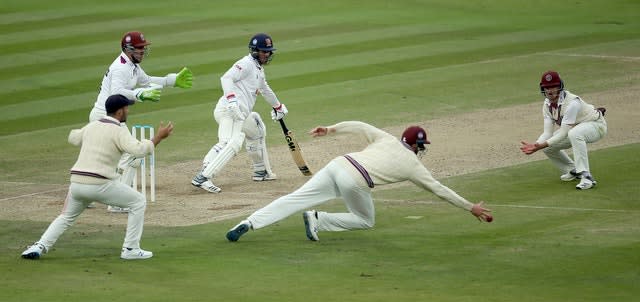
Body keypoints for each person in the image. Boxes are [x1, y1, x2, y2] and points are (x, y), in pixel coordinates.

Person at [226, 121, 492, 242]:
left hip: (338, 164)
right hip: (355, 179)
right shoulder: (413, 165)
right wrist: (471, 207)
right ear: (416, 145)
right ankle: (318, 219)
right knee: (366, 220)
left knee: (292, 199)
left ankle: (248, 222)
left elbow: (360, 125)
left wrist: (329, 130)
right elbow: (439, 190)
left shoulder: (387, 138)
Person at [21, 94, 174, 260]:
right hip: (100, 184)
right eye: (126, 108)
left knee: (66, 217)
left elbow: (73, 137)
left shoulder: (92, 125)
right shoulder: (119, 131)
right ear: (120, 111)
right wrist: (158, 137)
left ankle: (39, 246)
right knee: (138, 202)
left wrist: (90, 135)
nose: (128, 111)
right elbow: (138, 150)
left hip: (77, 183)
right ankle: (131, 249)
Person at [90, 31, 192, 211]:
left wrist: (171, 80)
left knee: (106, 159)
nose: (143, 52)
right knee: (132, 155)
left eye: (144, 48)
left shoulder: (132, 66)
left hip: (110, 117)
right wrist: (139, 94)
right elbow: (116, 93)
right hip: (106, 117)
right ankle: (116, 202)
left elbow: (147, 82)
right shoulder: (121, 68)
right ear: (128, 49)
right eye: (139, 49)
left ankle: (86, 195)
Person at [191, 33, 288, 193]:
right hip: (229, 110)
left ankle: (261, 171)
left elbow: (265, 90)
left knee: (257, 129)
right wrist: (232, 100)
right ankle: (203, 176)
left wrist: (278, 107)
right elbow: (226, 78)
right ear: (255, 50)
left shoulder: (258, 70)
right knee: (230, 143)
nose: (267, 54)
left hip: (241, 114)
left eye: (269, 51)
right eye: (264, 51)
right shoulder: (246, 64)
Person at [520, 70, 607, 190]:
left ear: (560, 86)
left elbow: (563, 132)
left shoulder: (572, 103)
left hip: (596, 126)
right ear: (543, 89)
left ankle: (587, 177)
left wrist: (540, 146)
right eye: (547, 87)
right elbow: (547, 133)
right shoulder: (546, 105)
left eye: (553, 87)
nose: (550, 90)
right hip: (576, 129)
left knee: (574, 133)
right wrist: (537, 144)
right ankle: (573, 170)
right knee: (549, 147)